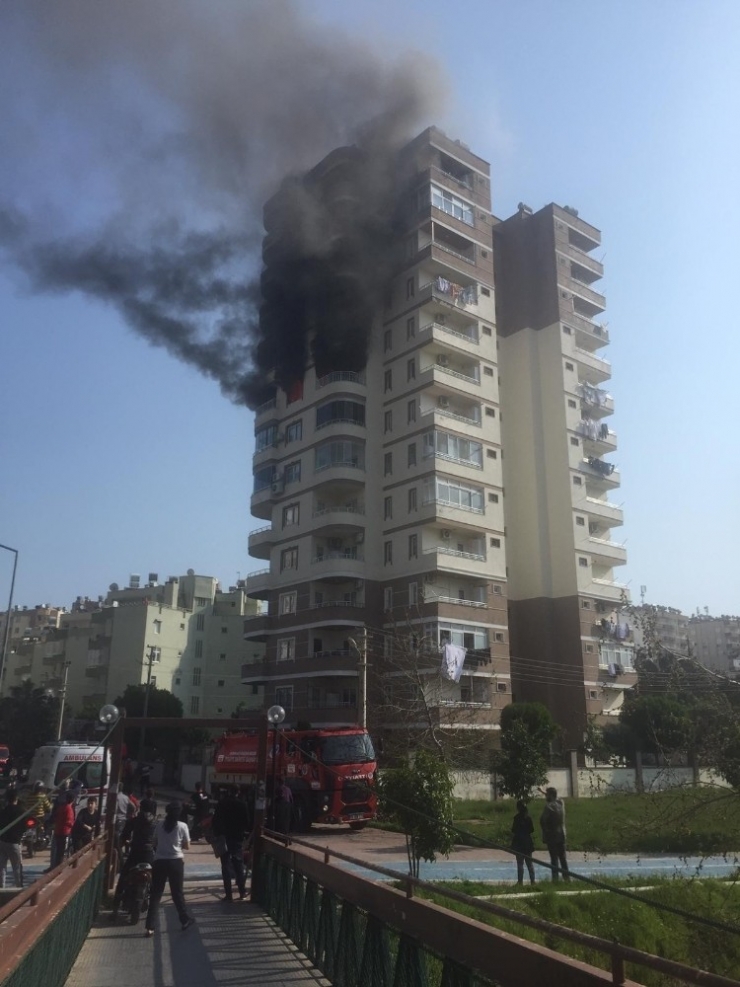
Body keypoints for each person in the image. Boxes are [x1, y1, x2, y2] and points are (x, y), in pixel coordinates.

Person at [144, 801, 194, 937]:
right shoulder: (182, 826)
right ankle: (184, 920)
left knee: (156, 894)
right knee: (177, 893)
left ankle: (150, 927)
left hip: (159, 861)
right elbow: (187, 846)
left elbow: (154, 842)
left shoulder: (159, 825)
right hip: (175, 862)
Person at [110, 806, 156, 920]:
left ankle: (115, 907)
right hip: (149, 855)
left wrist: (126, 842)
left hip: (135, 854)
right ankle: (153, 905)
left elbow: (124, 836)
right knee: (156, 880)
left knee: (123, 876)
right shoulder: (156, 822)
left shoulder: (134, 821)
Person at [211, 790, 250, 901]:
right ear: (238, 792)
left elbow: (215, 820)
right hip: (237, 837)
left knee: (225, 865)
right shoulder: (242, 804)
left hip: (224, 838)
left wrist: (218, 833)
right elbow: (247, 821)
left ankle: (228, 895)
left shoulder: (221, 803)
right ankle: (242, 891)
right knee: (238, 864)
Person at [540, 787, 569, 882]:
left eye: (547, 794)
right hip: (562, 835)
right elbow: (555, 797)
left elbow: (543, 820)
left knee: (554, 859)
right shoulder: (561, 803)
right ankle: (567, 878)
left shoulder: (548, 807)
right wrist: (543, 792)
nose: (546, 796)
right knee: (563, 858)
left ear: (551, 796)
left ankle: (555, 880)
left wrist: (545, 831)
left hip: (552, 835)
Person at [0, 789, 27, 888]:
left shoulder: (3, 811)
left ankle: (1, 888)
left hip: (2, 841)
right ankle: (19, 888)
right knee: (17, 868)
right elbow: (25, 826)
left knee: (2, 867)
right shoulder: (21, 811)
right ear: (16, 798)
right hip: (14, 842)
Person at [511, 800, 536, 886]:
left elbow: (513, 830)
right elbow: (532, 829)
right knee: (530, 863)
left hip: (519, 842)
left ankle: (520, 881)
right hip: (527, 842)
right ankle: (533, 881)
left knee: (520, 863)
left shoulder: (516, 818)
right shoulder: (528, 818)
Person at [49, 791, 75, 869]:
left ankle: (57, 866)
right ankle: (60, 868)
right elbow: (69, 821)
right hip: (65, 832)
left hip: (58, 831)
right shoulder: (69, 809)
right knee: (63, 851)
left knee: (59, 851)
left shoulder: (61, 807)